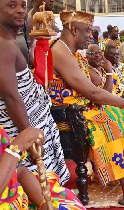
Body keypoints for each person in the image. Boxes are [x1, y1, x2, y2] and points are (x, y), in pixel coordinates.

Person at [49, 10, 124, 207]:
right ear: (74, 30)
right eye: (88, 32)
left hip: (80, 108)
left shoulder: (73, 52)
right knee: (106, 123)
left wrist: (123, 103)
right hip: (67, 113)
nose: (91, 37)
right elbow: (92, 93)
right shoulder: (59, 50)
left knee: (117, 112)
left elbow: (97, 85)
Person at [0, 0, 70, 185]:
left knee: (46, 186)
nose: (20, 10)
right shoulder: (3, 45)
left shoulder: (10, 41)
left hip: (34, 122)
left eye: (23, 5)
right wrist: (29, 137)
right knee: (39, 188)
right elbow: (11, 97)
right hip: (22, 128)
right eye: (11, 5)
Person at [0, 126, 85, 209]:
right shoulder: (15, 147)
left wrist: (42, 203)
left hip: (19, 197)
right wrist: (16, 147)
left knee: (67, 200)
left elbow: (19, 171)